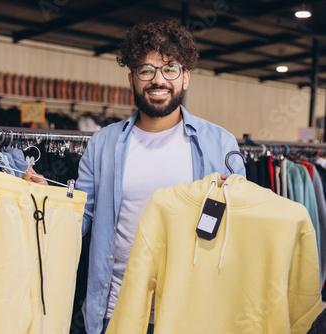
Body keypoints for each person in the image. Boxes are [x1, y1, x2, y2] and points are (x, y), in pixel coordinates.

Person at [75, 20, 246, 334]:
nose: (158, 80)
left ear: (185, 77)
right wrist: (49, 201)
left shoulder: (220, 143)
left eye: (170, 68)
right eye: (146, 70)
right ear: (132, 79)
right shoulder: (103, 143)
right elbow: (79, 217)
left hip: (190, 312)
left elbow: (240, 228)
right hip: (115, 310)